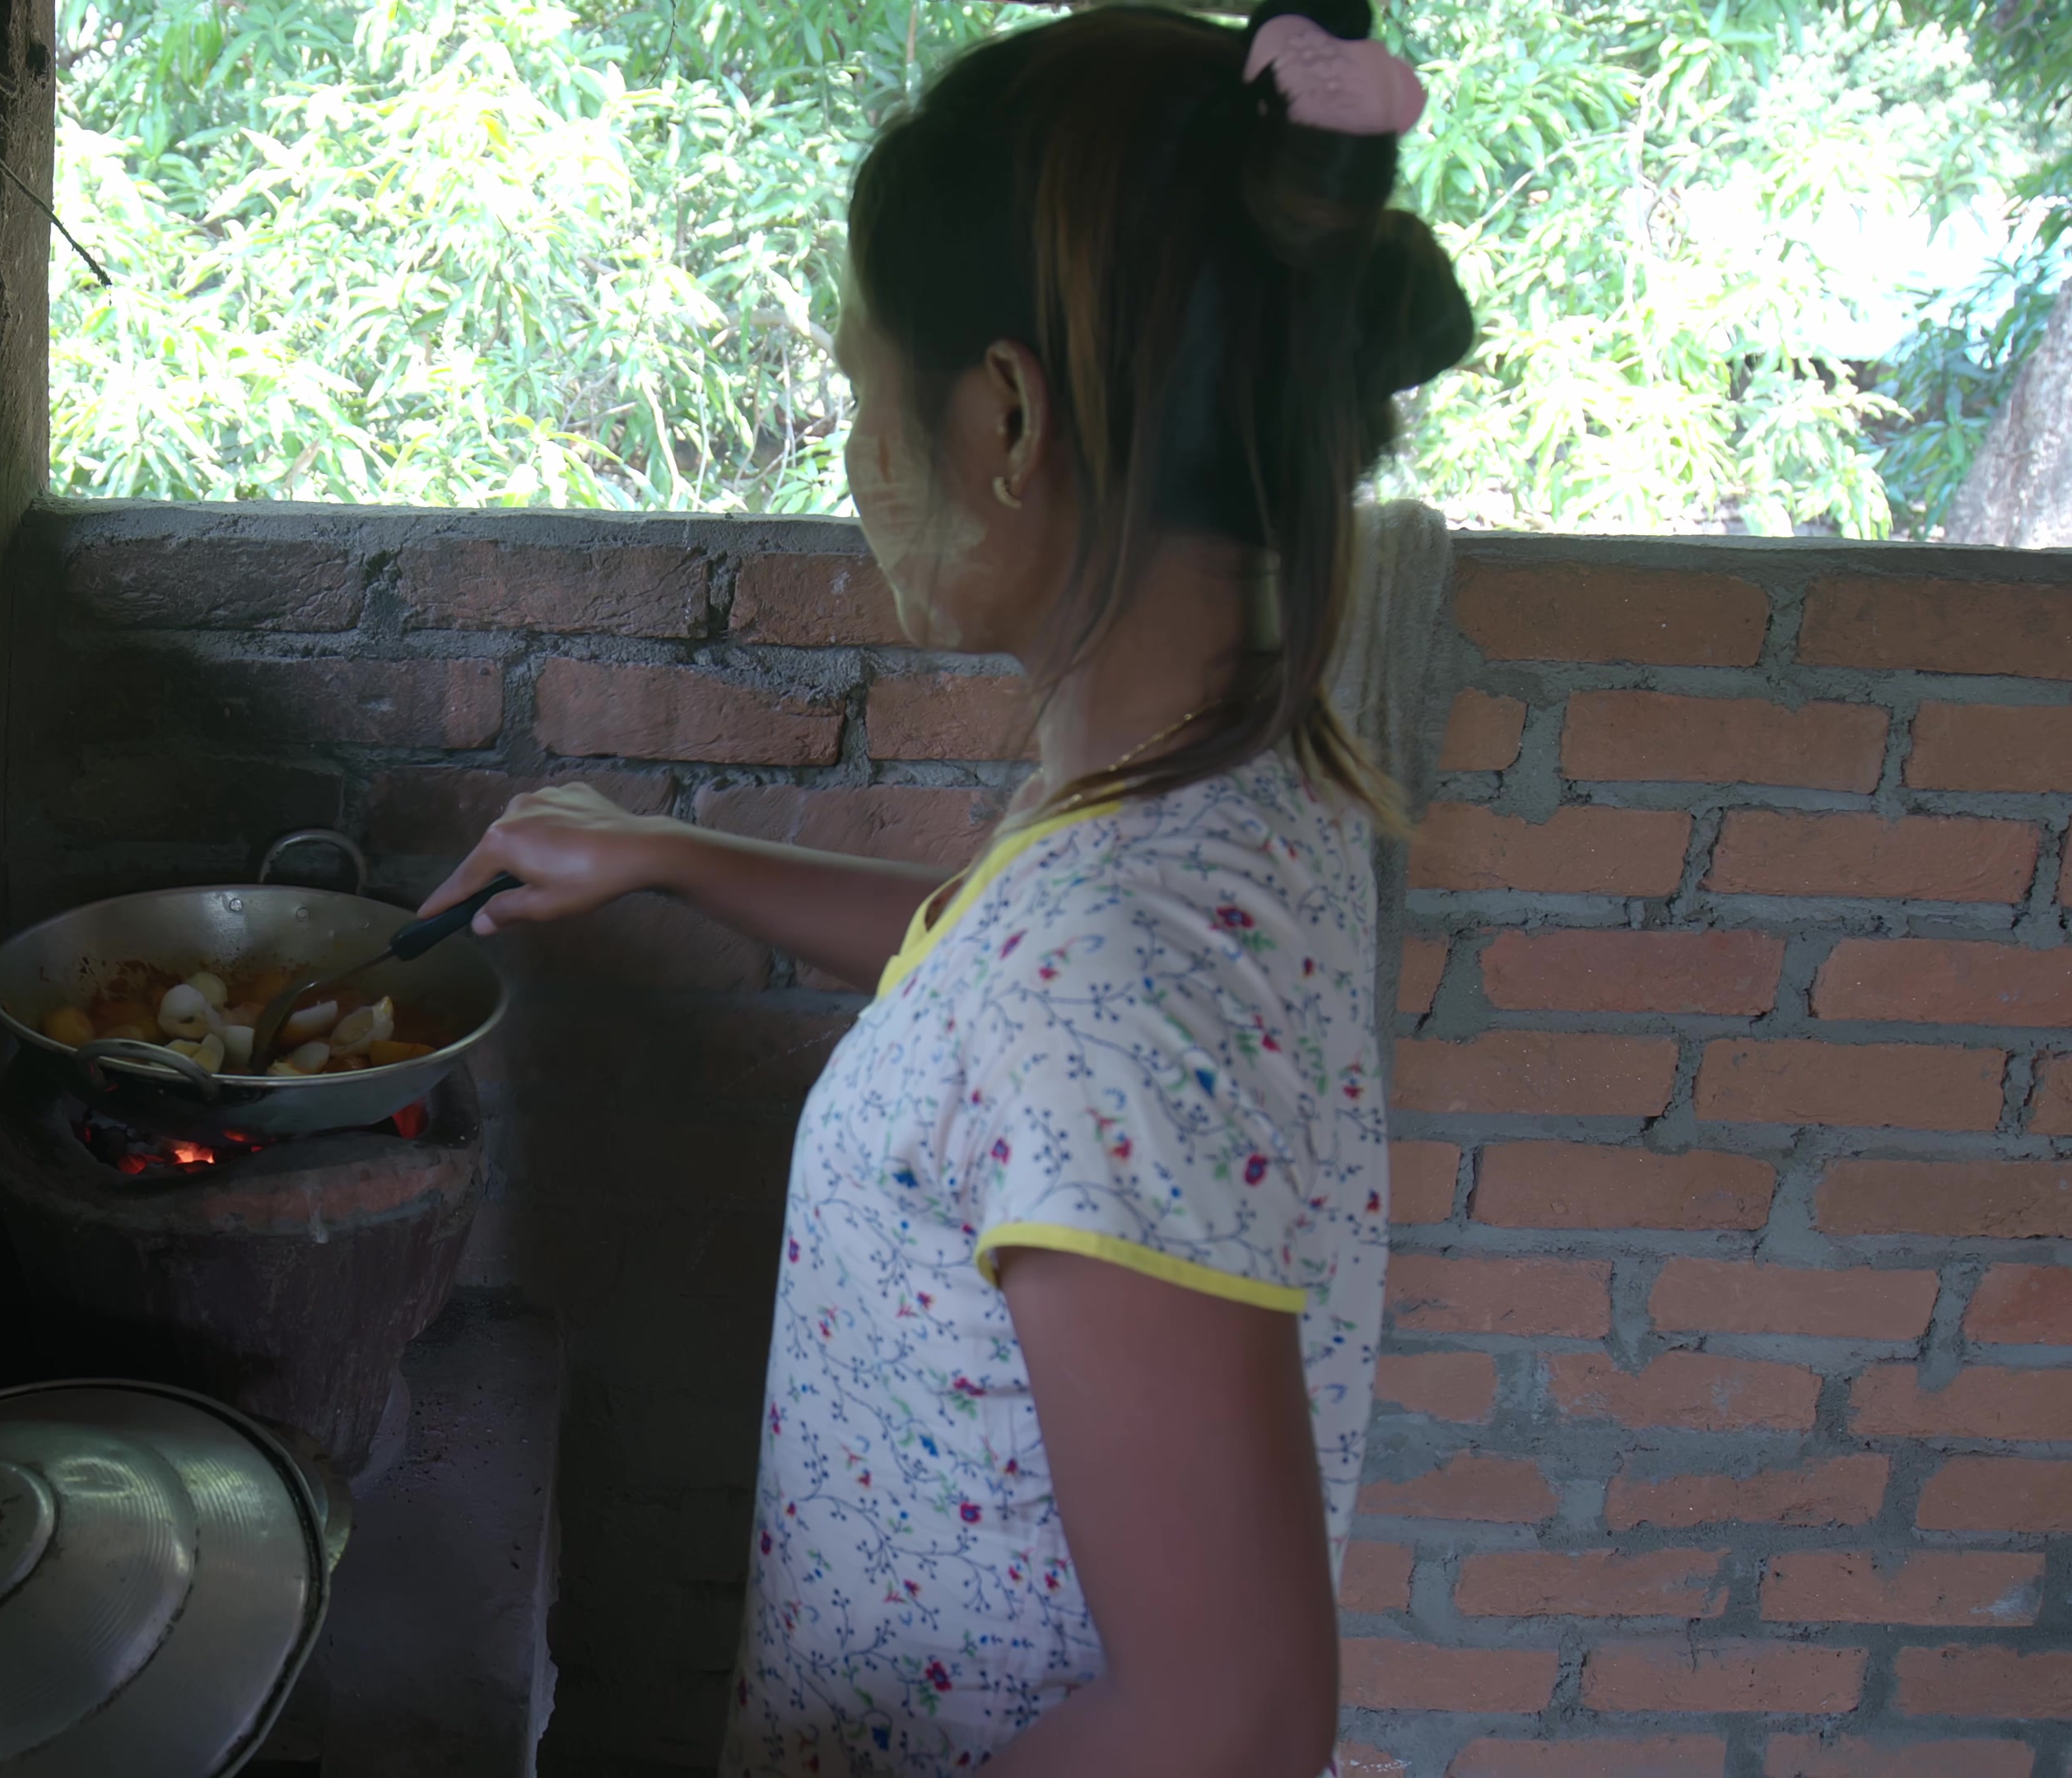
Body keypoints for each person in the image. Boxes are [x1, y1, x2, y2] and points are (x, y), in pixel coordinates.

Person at [417, 2, 1474, 1771]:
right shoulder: (1205, 796)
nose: (854, 453)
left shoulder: (1118, 961)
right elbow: (983, 998)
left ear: (1008, 414)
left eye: (860, 387)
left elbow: (1231, 1719)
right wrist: (670, 853)